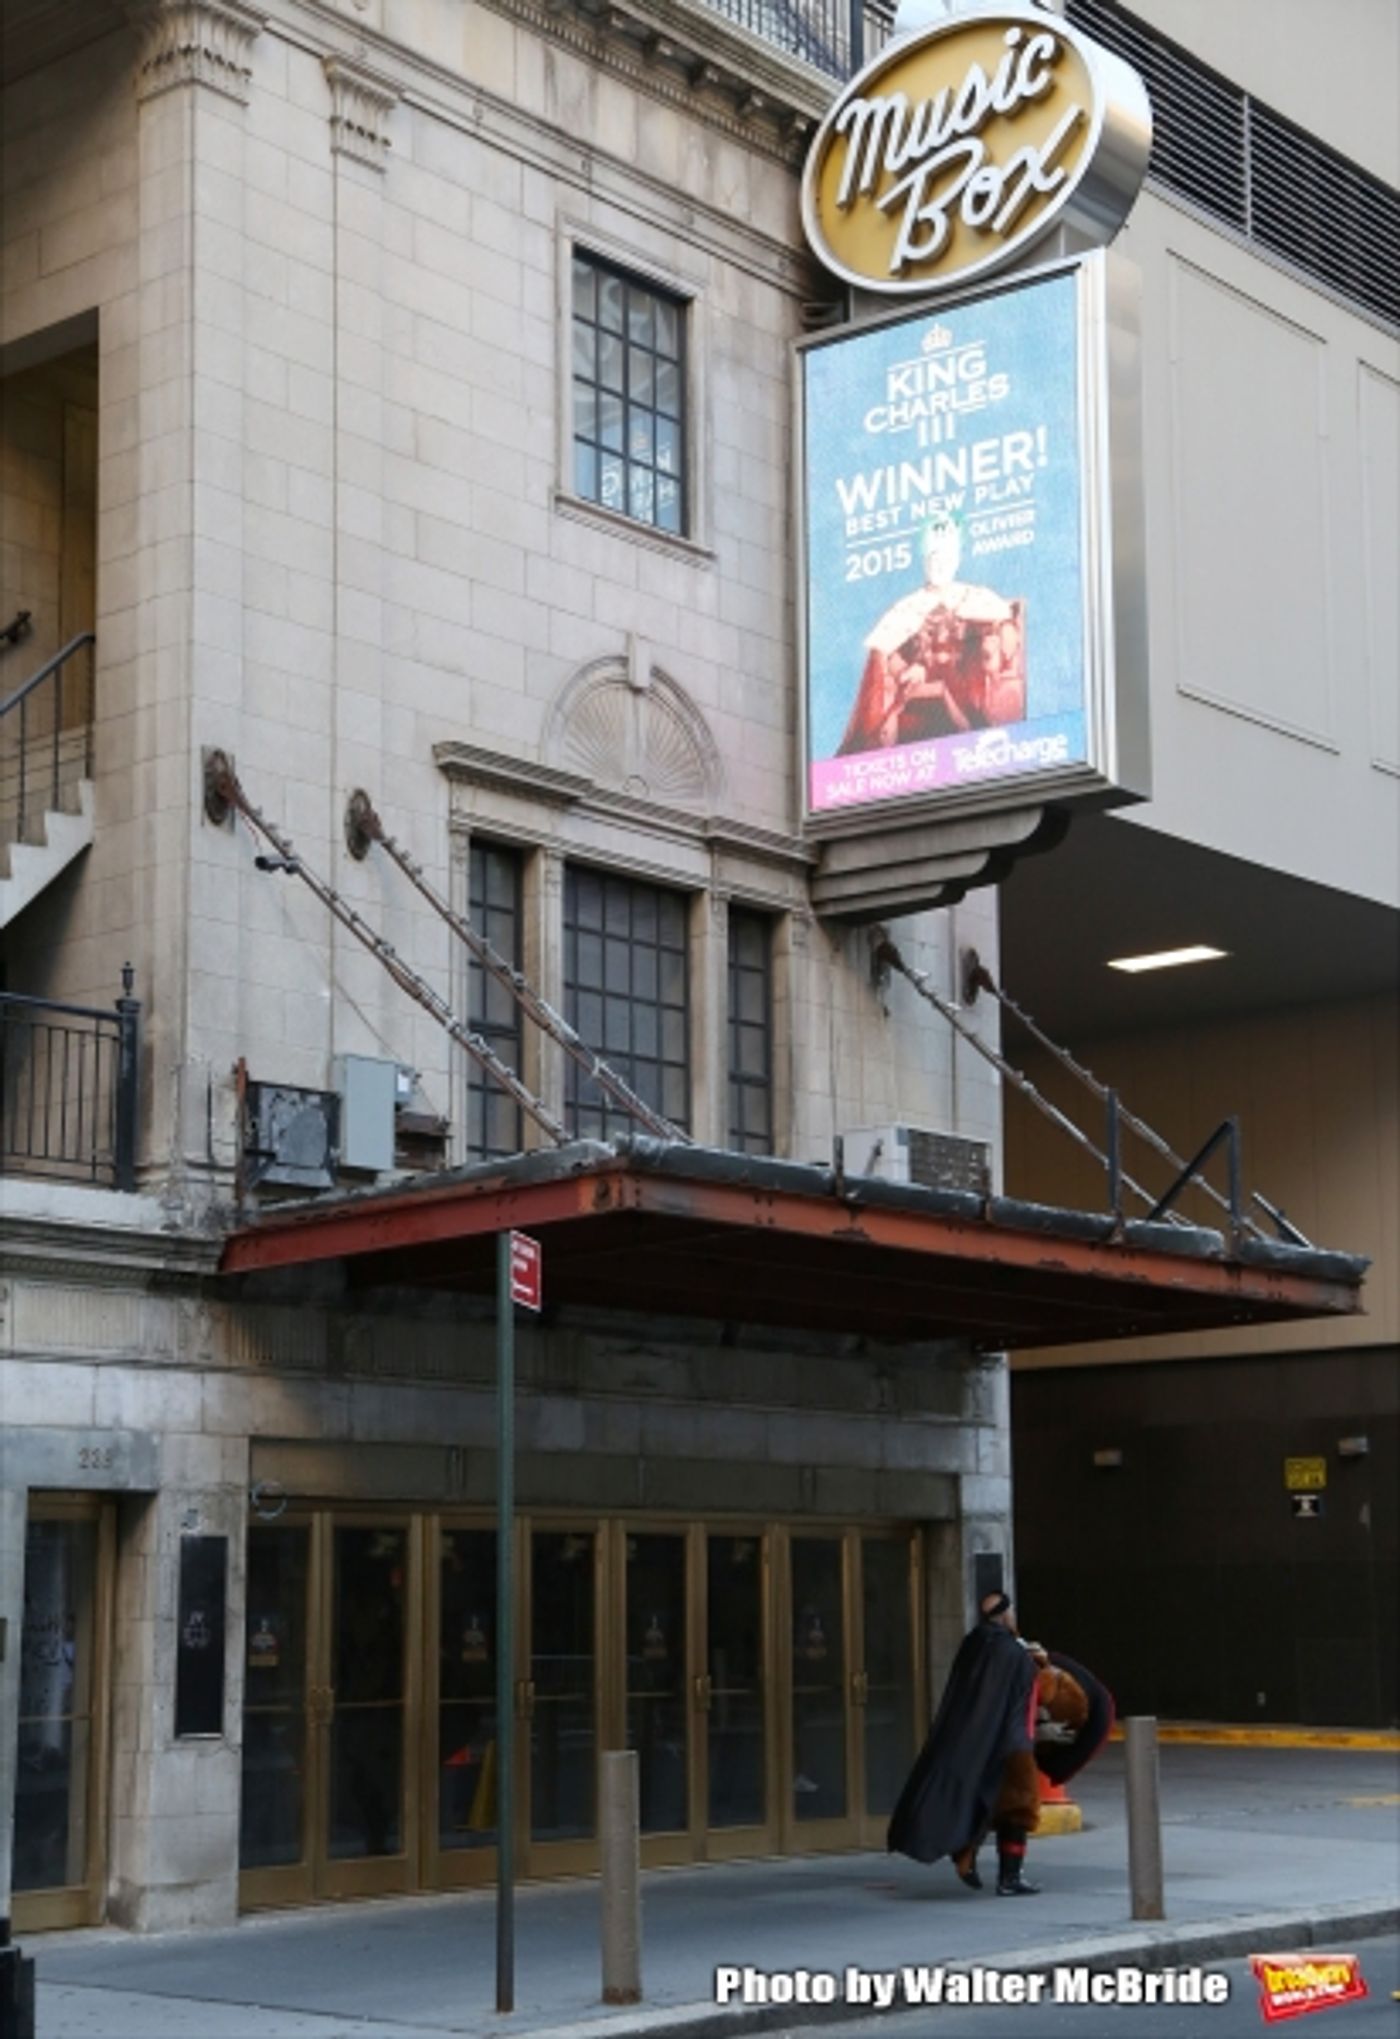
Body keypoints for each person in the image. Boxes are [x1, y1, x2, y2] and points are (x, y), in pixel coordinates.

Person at [887, 1589, 1046, 1896]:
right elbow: (1019, 1699)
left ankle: (966, 1852)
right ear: (1005, 1614)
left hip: (974, 1738)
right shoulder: (1013, 1653)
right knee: (1017, 1810)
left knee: (982, 1801)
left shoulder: (973, 1643)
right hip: (1012, 1742)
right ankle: (1009, 1878)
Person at [837, 514, 1024, 755]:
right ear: (924, 560)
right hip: (918, 700)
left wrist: (1001, 636)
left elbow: (1005, 630)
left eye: (945, 557)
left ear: (956, 559)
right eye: (933, 557)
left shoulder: (976, 597)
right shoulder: (908, 607)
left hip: (964, 690)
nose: (939, 564)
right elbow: (884, 652)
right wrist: (907, 669)